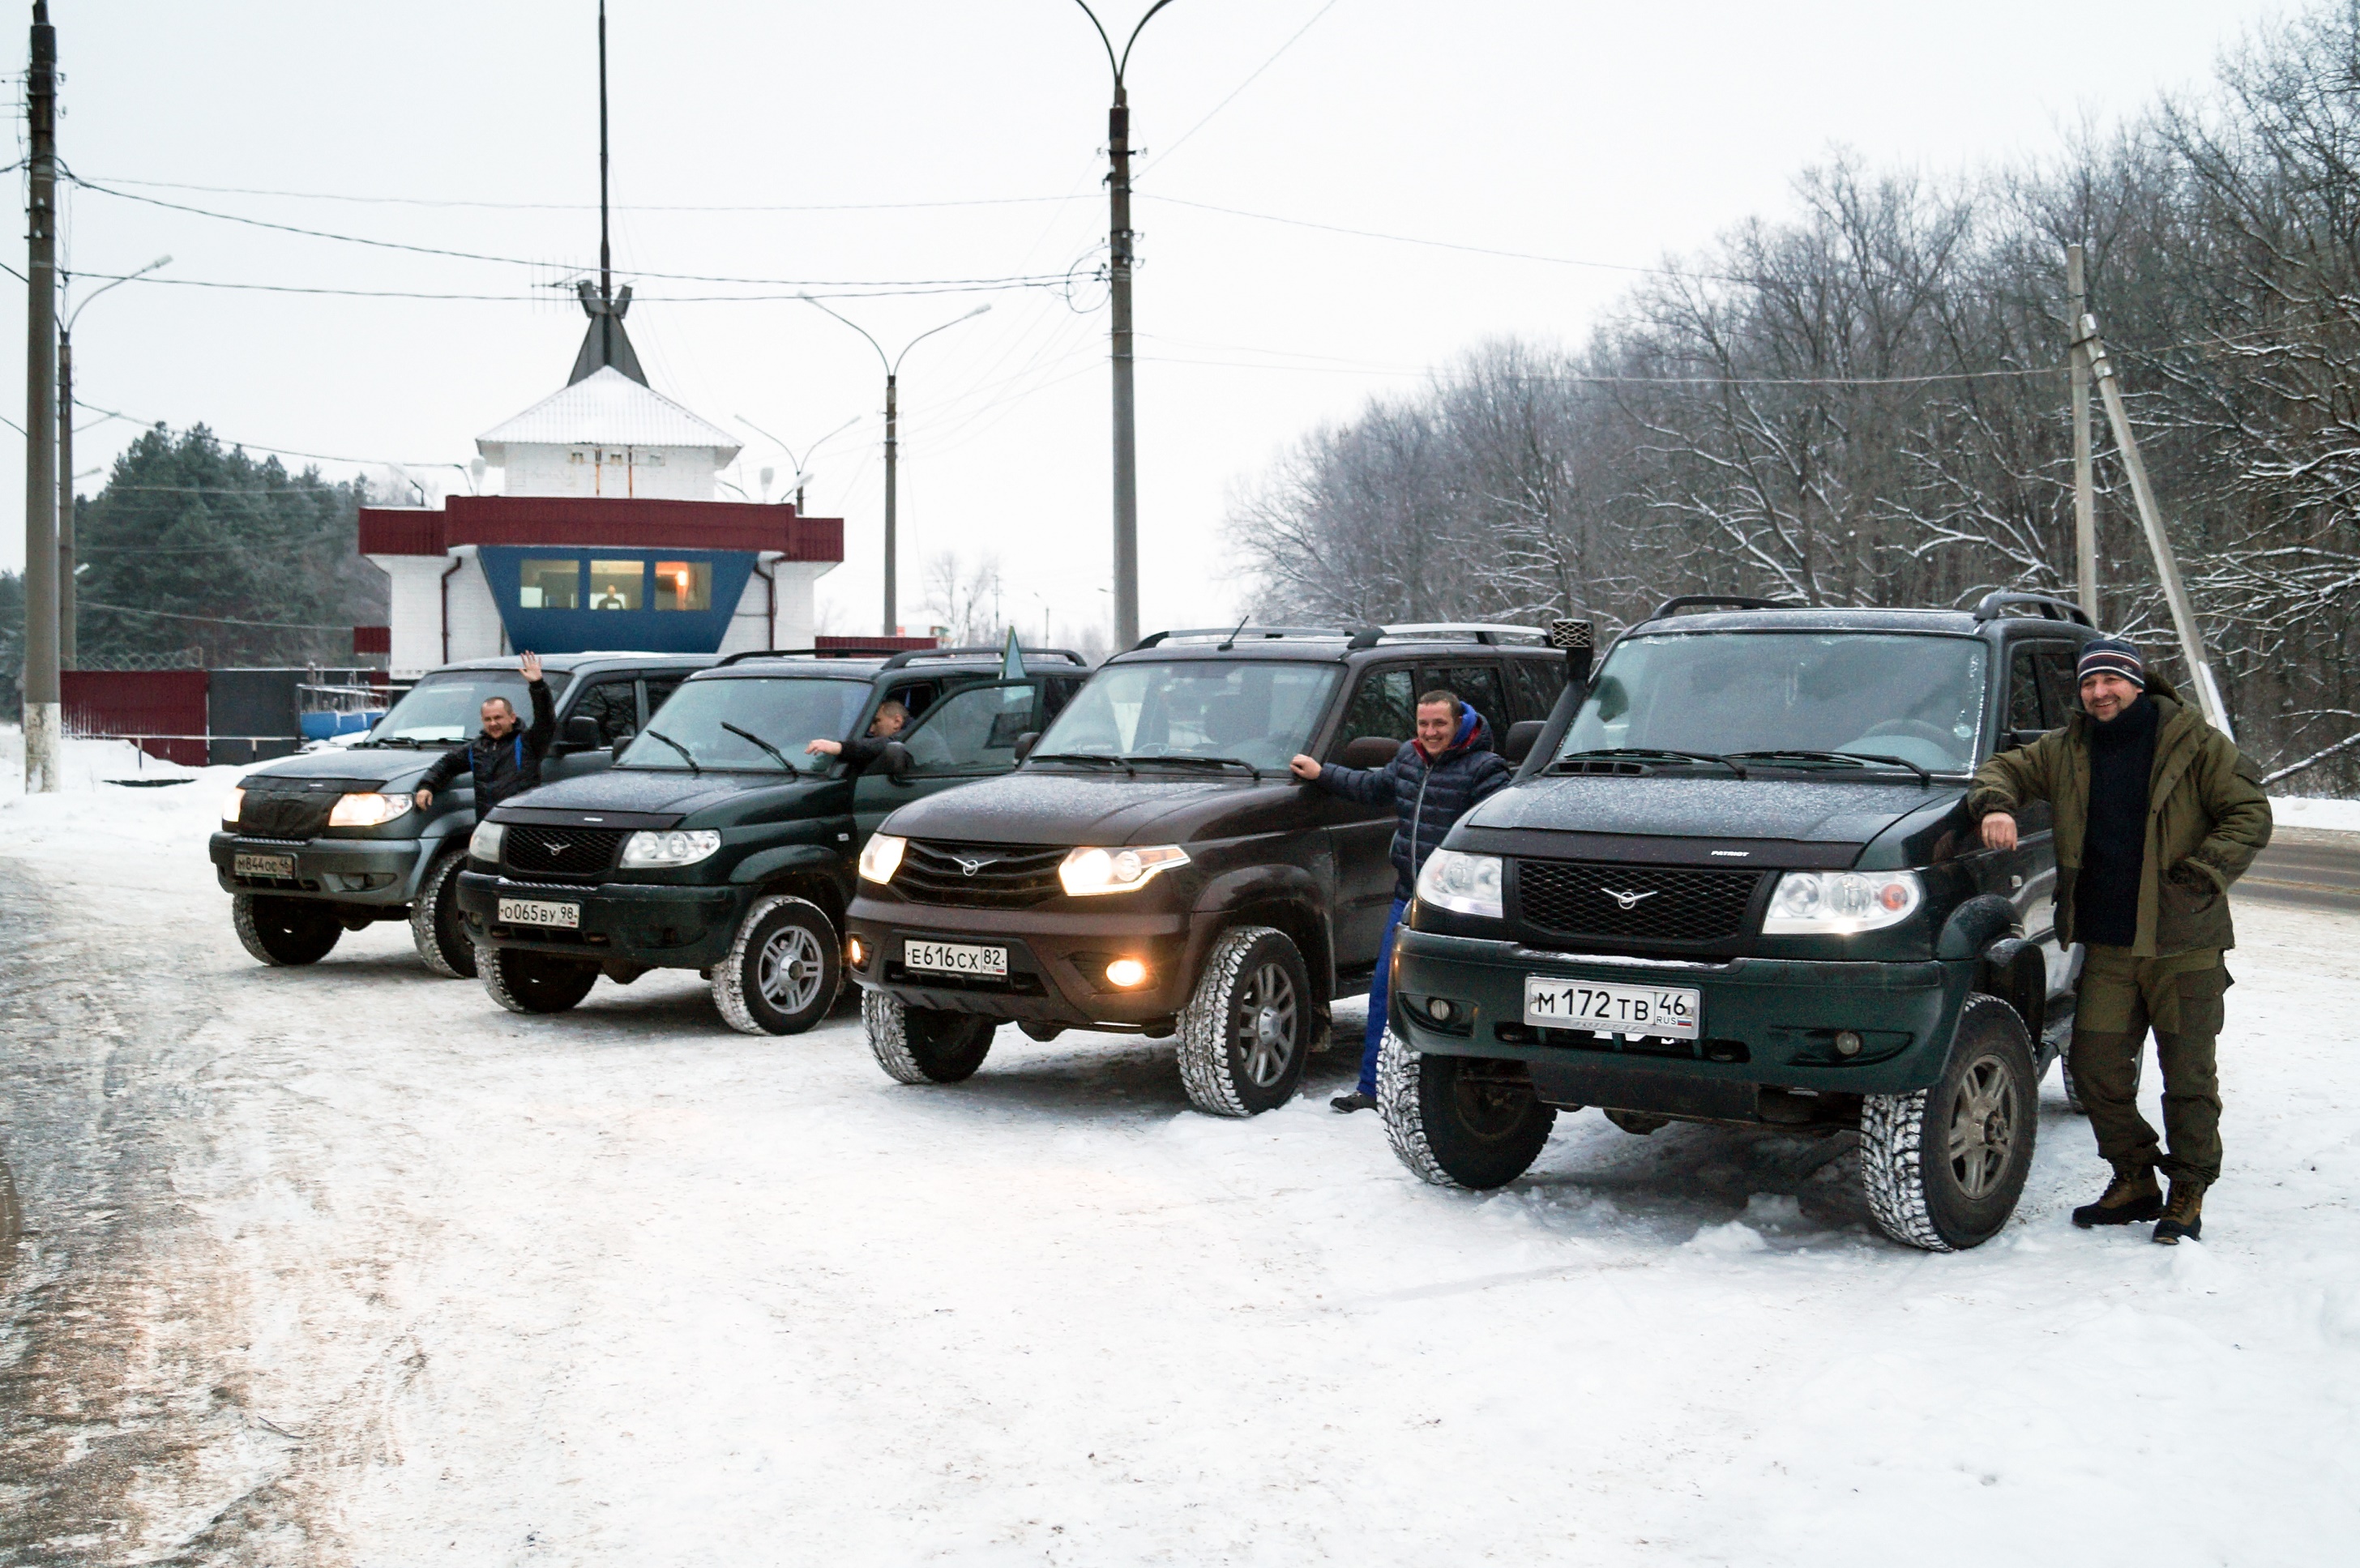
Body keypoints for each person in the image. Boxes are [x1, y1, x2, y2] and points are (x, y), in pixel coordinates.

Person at [1969, 638, 2272, 1245]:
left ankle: (2188, 1189)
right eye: (2089, 683)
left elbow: (2250, 812)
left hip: (2183, 944)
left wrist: (2204, 871)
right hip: (2108, 946)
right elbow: (2003, 769)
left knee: (2188, 1077)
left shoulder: (2194, 742)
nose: (2100, 693)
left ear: (2137, 682)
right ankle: (2135, 1178)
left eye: (2111, 680)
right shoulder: (2067, 748)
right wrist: (1995, 805)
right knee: (2095, 1068)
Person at [1290, 690, 1514, 1113]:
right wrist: (1322, 773)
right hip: (1407, 897)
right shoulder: (1409, 758)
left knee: (1455, 999)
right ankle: (1372, 1088)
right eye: (1423, 724)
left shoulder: (1485, 769)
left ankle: (1457, 1096)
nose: (1430, 732)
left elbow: (1496, 831)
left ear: (1459, 723)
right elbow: (1370, 786)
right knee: (1385, 992)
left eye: (1439, 724)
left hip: (1457, 907)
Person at [806, 699, 910, 774]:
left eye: (876, 721)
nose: (871, 730)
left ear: (897, 721)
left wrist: (839, 747)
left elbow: (882, 744)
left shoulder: (911, 737)